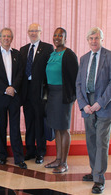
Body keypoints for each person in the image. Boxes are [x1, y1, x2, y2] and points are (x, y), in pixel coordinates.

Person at [76, 27, 111, 194]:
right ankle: (94, 170)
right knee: (90, 140)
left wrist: (100, 102)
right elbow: (79, 84)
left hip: (104, 104)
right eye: (91, 38)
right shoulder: (83, 59)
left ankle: (99, 179)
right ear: (87, 40)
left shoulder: (109, 56)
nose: (94, 41)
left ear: (102, 39)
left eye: (96, 38)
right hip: (88, 105)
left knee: (101, 142)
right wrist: (84, 105)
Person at [0, 28, 27, 169]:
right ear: (0, 38)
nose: (6, 38)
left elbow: (20, 74)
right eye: (4, 36)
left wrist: (13, 88)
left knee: (15, 128)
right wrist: (5, 89)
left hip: (14, 96)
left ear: (12, 38)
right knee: (1, 127)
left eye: (9, 36)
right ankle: (2, 156)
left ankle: (19, 158)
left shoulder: (18, 54)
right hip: (0, 96)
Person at [44, 27, 78, 173]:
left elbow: (75, 78)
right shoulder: (52, 54)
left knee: (63, 128)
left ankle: (64, 163)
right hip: (52, 94)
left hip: (63, 95)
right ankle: (58, 159)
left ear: (65, 38)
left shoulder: (69, 54)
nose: (57, 37)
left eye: (60, 35)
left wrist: (72, 97)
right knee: (56, 127)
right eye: (55, 35)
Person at [20, 23, 54, 164]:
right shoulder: (23, 50)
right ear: (28, 32)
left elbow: (50, 70)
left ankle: (40, 152)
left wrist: (48, 93)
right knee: (29, 122)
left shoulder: (47, 48)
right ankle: (30, 151)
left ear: (41, 32)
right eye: (31, 31)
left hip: (40, 92)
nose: (33, 33)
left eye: (36, 31)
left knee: (40, 122)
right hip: (26, 91)